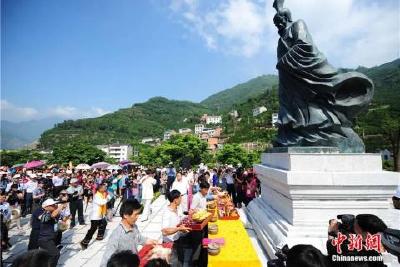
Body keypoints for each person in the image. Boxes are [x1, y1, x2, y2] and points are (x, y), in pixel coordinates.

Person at [272, 2, 373, 152]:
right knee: (292, 106)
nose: (278, 25)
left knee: (313, 103)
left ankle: (323, 129)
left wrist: (285, 62)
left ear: (286, 18)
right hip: (289, 79)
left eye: (279, 21)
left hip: (304, 72)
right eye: (276, 23)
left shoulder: (297, 25)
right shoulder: (281, 39)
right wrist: (284, 66)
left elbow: (304, 44)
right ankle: (294, 134)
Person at [101, 199, 158, 266]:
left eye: (138, 214)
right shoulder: (116, 236)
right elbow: (106, 260)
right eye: (135, 214)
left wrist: (150, 241)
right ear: (125, 215)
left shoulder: (134, 226)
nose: (137, 217)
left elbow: (139, 238)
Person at [162, 190, 192, 266]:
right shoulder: (167, 212)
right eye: (180, 198)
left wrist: (190, 215)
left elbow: (181, 217)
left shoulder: (178, 208)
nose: (181, 200)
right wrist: (178, 229)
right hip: (170, 244)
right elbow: (164, 231)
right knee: (173, 263)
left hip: (178, 240)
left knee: (181, 261)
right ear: (175, 200)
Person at [38, 198, 68, 267]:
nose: (55, 206)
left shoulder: (55, 213)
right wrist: (59, 208)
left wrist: (66, 214)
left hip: (52, 238)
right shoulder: (45, 214)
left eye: (55, 204)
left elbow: (63, 219)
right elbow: (50, 216)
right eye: (53, 205)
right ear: (47, 207)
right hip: (45, 239)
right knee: (55, 254)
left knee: (47, 256)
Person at [80, 183, 111, 249]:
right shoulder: (97, 195)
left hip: (100, 215)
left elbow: (105, 202)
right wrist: (107, 198)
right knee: (92, 229)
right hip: (95, 216)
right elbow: (101, 203)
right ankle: (84, 241)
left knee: (104, 223)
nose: (105, 189)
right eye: (104, 188)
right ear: (100, 189)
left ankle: (100, 235)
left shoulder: (102, 195)